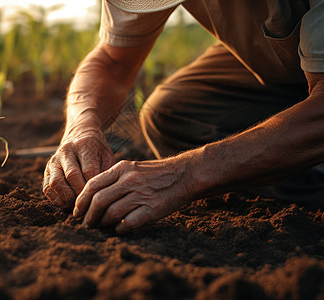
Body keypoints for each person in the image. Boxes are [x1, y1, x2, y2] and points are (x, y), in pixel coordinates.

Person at [42, 0, 324, 234]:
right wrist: (81, 129)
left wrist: (185, 174)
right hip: (291, 65)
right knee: (173, 112)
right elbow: (112, 60)